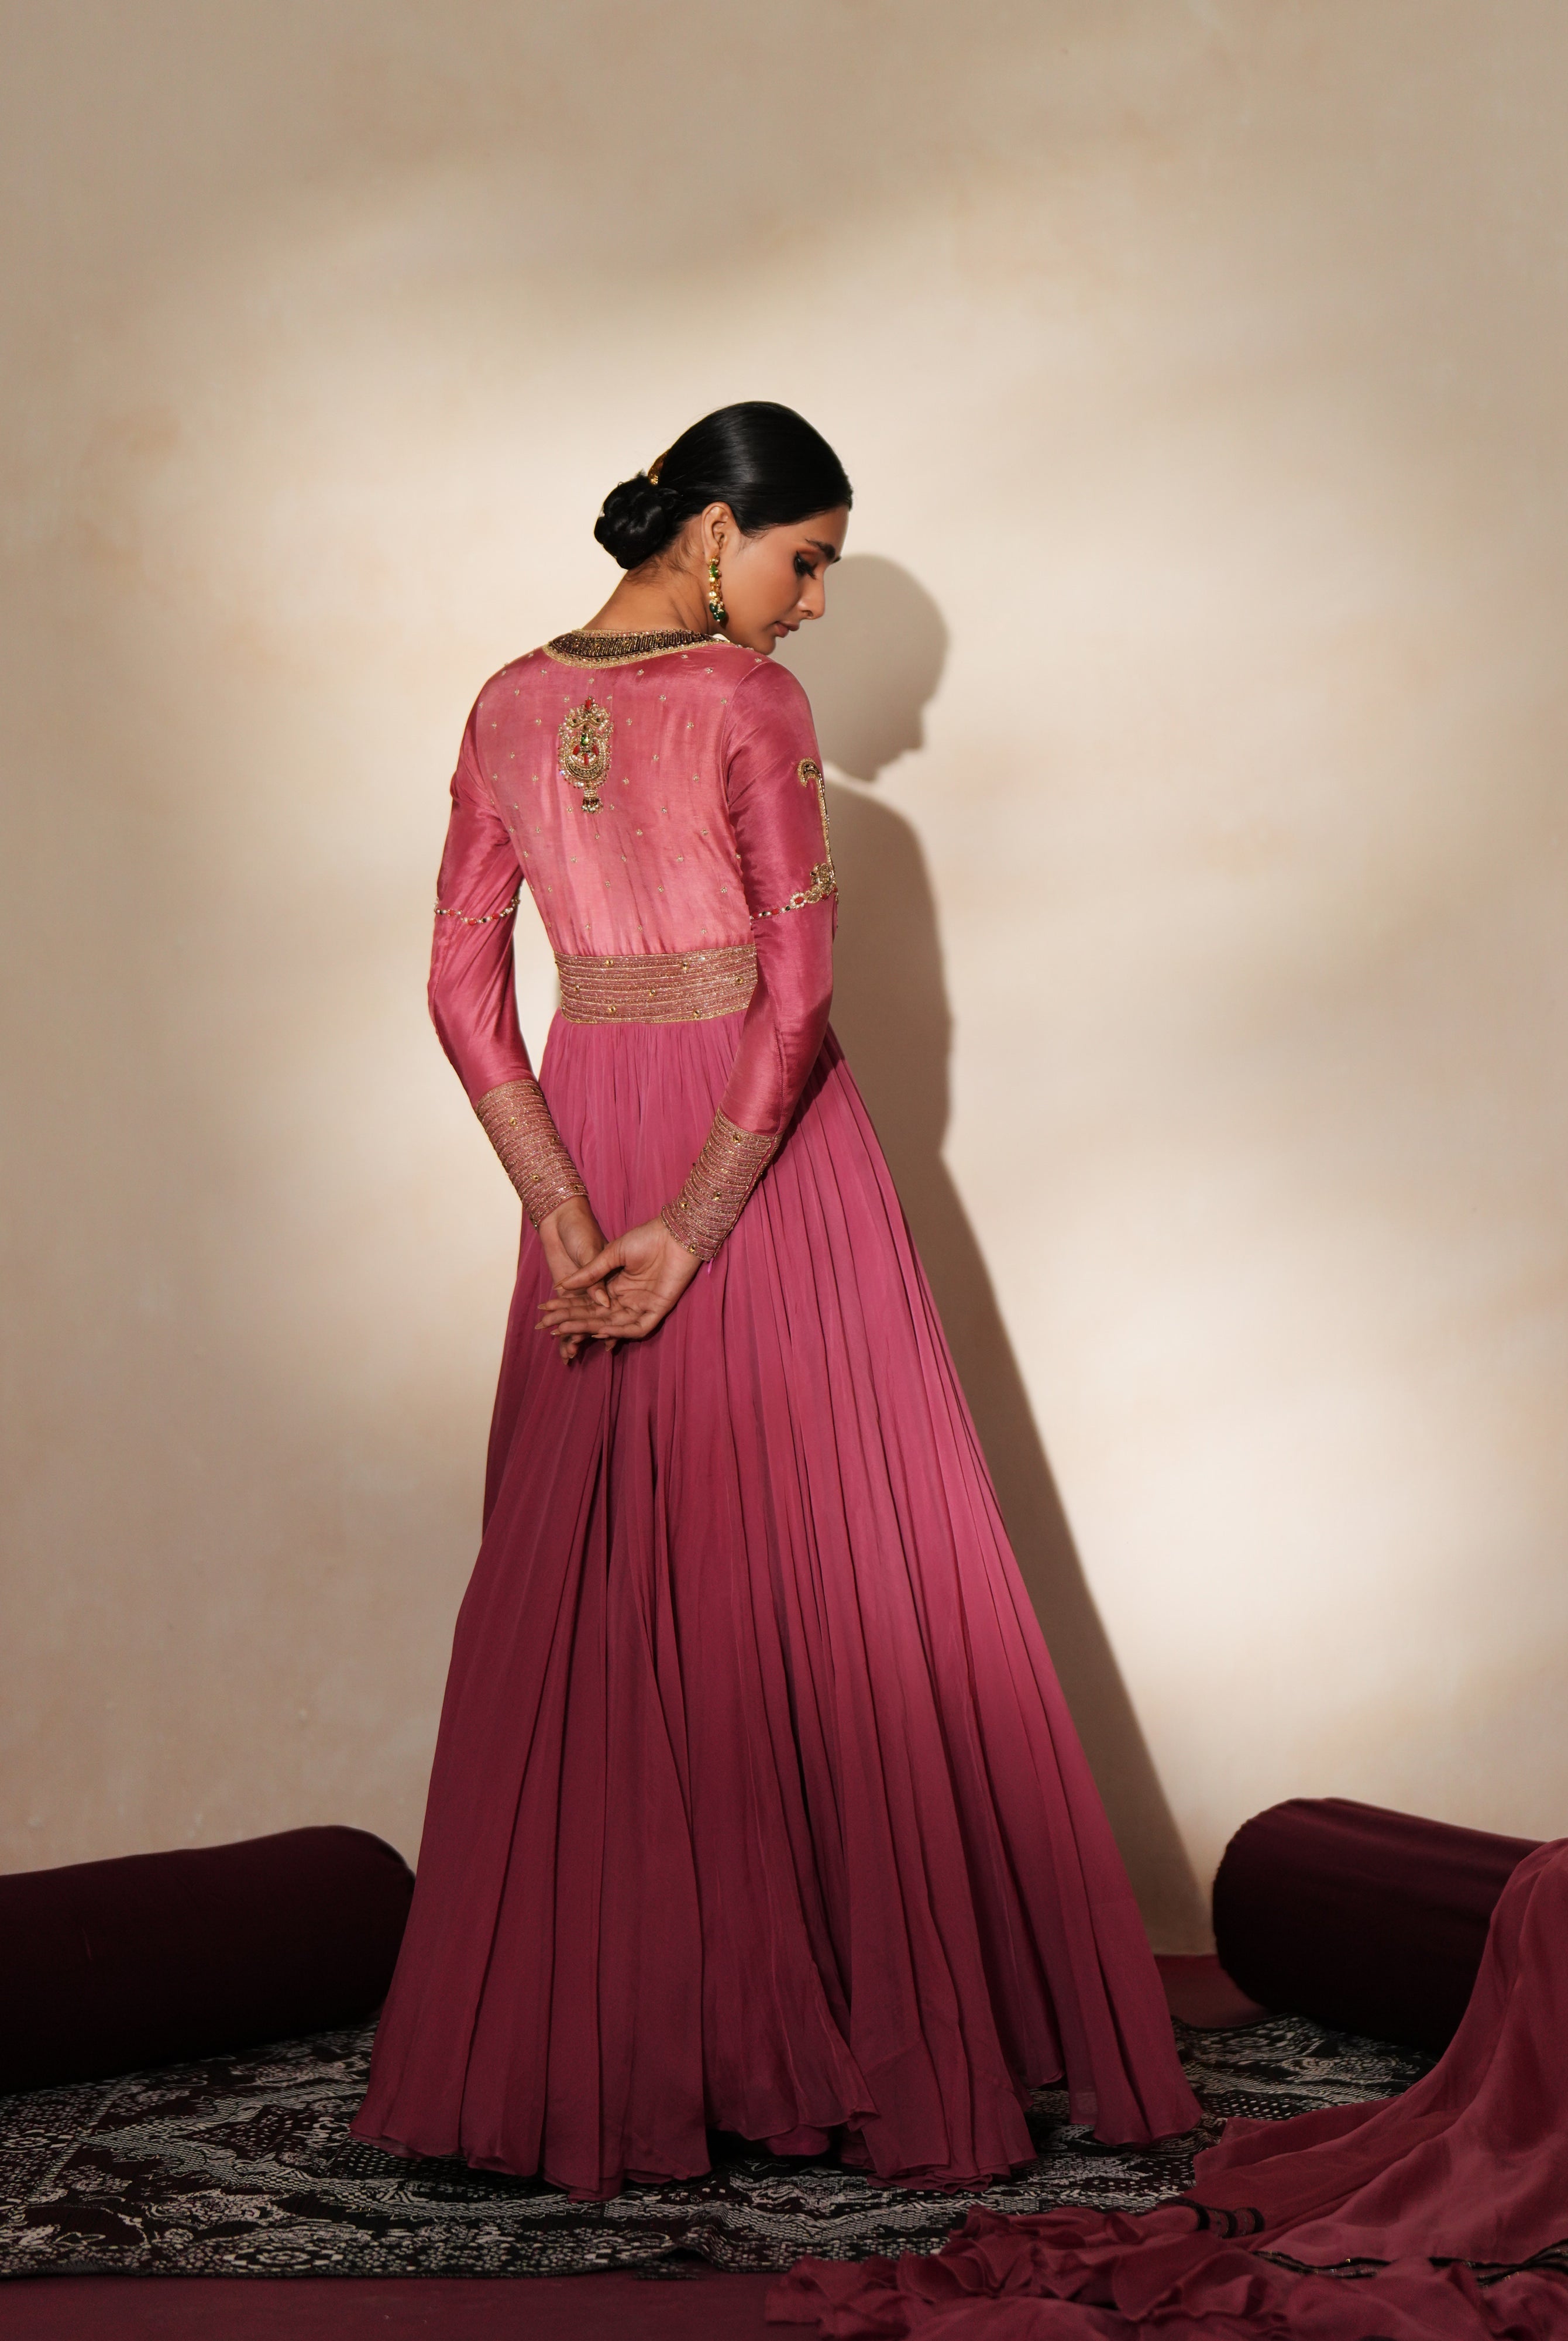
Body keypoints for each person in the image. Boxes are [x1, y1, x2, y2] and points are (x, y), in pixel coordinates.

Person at [351, 401, 1198, 2202]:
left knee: (616, 1596)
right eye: (804, 559)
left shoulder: (504, 702)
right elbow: (799, 1001)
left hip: (590, 1163)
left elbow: (455, 990)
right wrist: (690, 1226)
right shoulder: (748, 707)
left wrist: (578, 1222)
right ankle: (834, 2042)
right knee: (819, 1584)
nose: (812, 608)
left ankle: (638, 2055)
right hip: (764, 1166)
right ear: (710, 532)